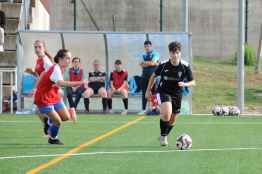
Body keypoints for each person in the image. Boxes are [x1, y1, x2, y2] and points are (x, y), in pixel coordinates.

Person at [145, 41, 195, 146]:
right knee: (167, 114)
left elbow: (193, 82)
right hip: (163, 91)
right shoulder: (163, 65)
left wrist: (185, 84)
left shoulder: (185, 66)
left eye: (177, 53)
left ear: (180, 53)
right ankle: (163, 137)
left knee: (173, 118)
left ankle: (164, 135)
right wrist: (148, 90)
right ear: (170, 53)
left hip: (177, 94)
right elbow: (153, 76)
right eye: (173, 53)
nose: (175, 55)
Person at [34, 49, 86, 145]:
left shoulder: (61, 68)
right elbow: (61, 83)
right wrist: (80, 82)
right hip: (43, 97)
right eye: (67, 58)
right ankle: (53, 138)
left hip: (53, 95)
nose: (69, 60)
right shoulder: (56, 68)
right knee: (58, 122)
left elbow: (55, 83)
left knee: (66, 117)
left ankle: (48, 121)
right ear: (60, 59)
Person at [25, 40, 53, 136]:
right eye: (35, 47)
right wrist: (32, 72)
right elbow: (39, 75)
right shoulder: (38, 60)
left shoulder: (46, 61)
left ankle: (50, 125)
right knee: (38, 110)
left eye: (39, 47)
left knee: (40, 110)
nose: (37, 49)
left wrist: (35, 89)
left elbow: (48, 76)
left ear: (44, 48)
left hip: (48, 89)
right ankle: (47, 123)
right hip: (42, 88)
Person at [138, 40, 160, 115]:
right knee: (144, 92)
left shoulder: (155, 53)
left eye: (148, 46)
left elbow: (154, 62)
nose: (147, 48)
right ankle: (143, 109)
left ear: (151, 46)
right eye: (145, 46)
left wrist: (147, 63)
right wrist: (151, 63)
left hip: (153, 76)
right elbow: (141, 64)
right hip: (144, 76)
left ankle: (154, 108)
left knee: (154, 92)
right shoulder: (143, 54)